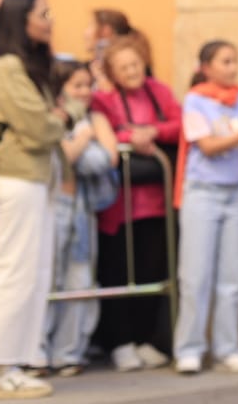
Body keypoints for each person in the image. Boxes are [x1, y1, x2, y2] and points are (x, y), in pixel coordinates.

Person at [0, 0, 67, 399]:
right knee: (13, 274)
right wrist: (68, 114)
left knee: (33, 275)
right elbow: (41, 127)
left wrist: (57, 116)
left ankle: (12, 362)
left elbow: (47, 122)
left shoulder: (25, 64)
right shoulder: (6, 66)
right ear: (21, 19)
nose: (49, 19)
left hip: (35, 178)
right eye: (43, 13)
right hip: (19, 177)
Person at [172, 39, 238, 375]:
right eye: (225, 61)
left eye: (234, 61)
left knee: (232, 276)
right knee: (195, 275)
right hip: (202, 192)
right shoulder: (196, 100)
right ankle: (189, 348)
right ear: (207, 67)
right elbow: (209, 146)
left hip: (236, 192)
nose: (232, 68)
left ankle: (228, 347)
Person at [90, 34, 179, 371]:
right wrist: (131, 137)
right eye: (124, 67)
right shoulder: (103, 99)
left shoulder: (159, 91)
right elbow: (106, 131)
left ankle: (145, 338)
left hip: (154, 203)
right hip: (118, 205)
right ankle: (119, 341)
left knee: (150, 270)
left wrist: (152, 132)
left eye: (136, 64)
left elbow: (178, 122)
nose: (132, 71)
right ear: (113, 71)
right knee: (118, 272)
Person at [40, 59, 116, 377]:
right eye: (77, 86)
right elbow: (67, 157)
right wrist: (85, 136)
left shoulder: (96, 117)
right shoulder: (51, 119)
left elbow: (107, 159)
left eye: (89, 85)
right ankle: (36, 352)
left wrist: (80, 139)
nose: (85, 92)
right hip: (51, 206)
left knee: (79, 280)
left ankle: (68, 352)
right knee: (47, 279)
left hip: (82, 209)